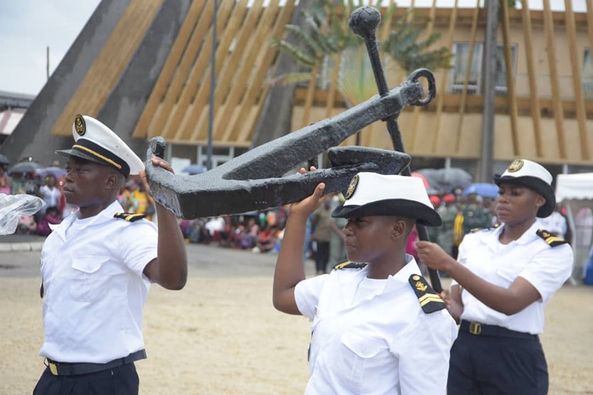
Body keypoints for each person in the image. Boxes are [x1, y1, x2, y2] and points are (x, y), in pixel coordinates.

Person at [34, 114, 187, 395]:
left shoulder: (127, 231)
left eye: (81, 170)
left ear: (110, 182)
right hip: (52, 378)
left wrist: (165, 202)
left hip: (103, 380)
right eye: (69, 168)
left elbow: (173, 278)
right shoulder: (58, 235)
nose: (68, 177)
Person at [273, 171, 457, 394]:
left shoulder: (423, 317)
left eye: (360, 222)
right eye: (348, 220)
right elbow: (284, 295)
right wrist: (297, 217)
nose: (347, 230)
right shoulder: (340, 281)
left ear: (397, 229)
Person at [417, 159, 574, 395]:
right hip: (466, 346)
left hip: (513, 353)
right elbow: (459, 304)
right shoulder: (475, 240)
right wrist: (449, 307)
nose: (503, 198)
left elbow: (511, 303)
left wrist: (447, 264)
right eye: (502, 192)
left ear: (539, 200)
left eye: (516, 193)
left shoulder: (551, 249)